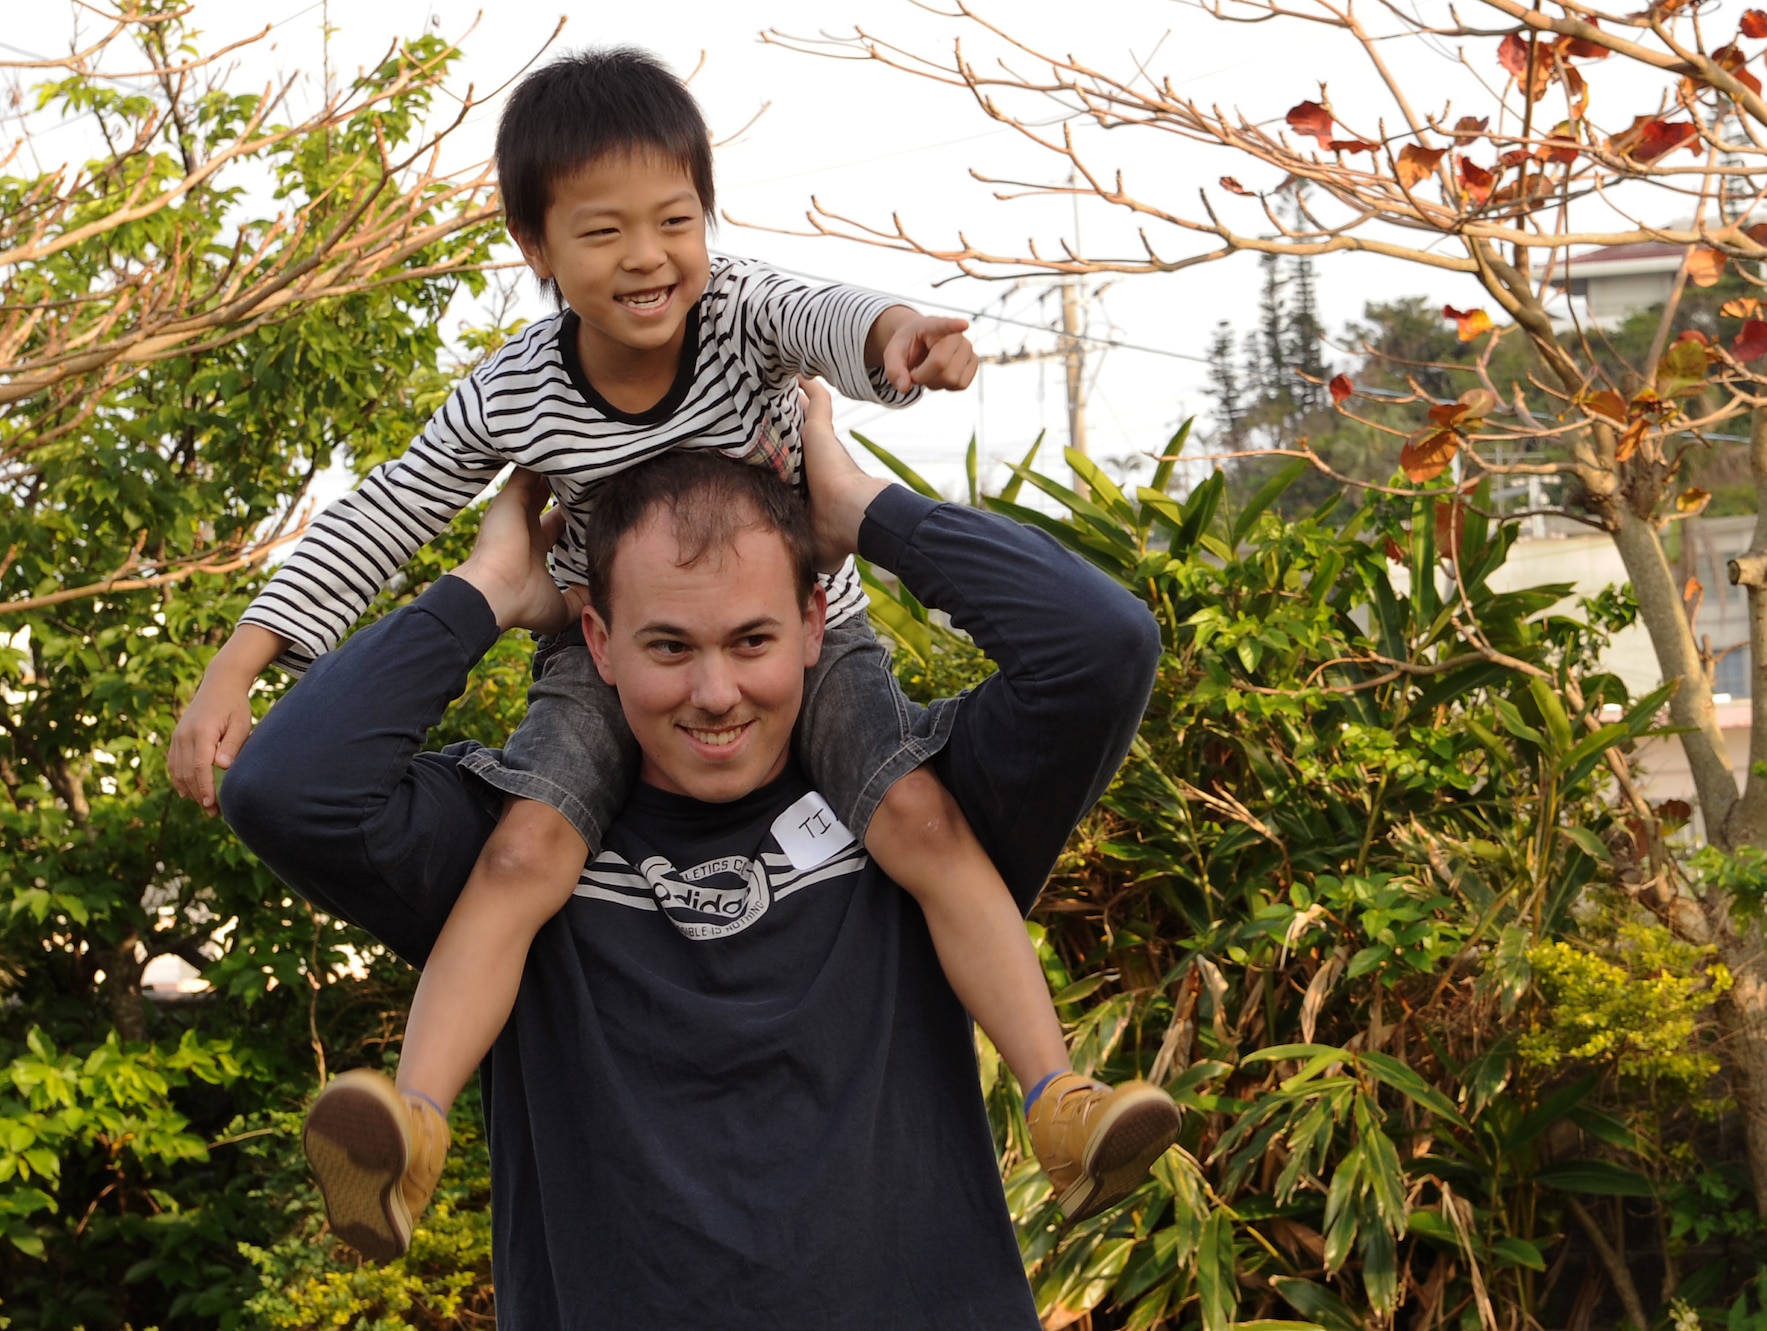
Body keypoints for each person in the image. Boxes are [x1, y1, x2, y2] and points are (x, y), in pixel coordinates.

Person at [167, 47, 1173, 1259]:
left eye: (674, 221)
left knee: (917, 819)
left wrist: (900, 346)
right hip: (594, 672)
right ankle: (411, 1133)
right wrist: (250, 656)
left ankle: (1056, 1101)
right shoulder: (514, 395)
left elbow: (835, 317)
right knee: (525, 849)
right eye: (601, 232)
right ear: (536, 250)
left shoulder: (744, 313)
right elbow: (385, 512)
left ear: (709, 220)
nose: (647, 257)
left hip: (829, 638)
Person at [218, 382, 1170, 1325]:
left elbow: (1103, 645)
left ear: (811, 624)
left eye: (751, 639)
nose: (716, 693)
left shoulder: (919, 803)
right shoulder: (511, 842)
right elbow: (286, 789)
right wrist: (486, 592)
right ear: (598, 638)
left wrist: (865, 512)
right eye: (668, 646)